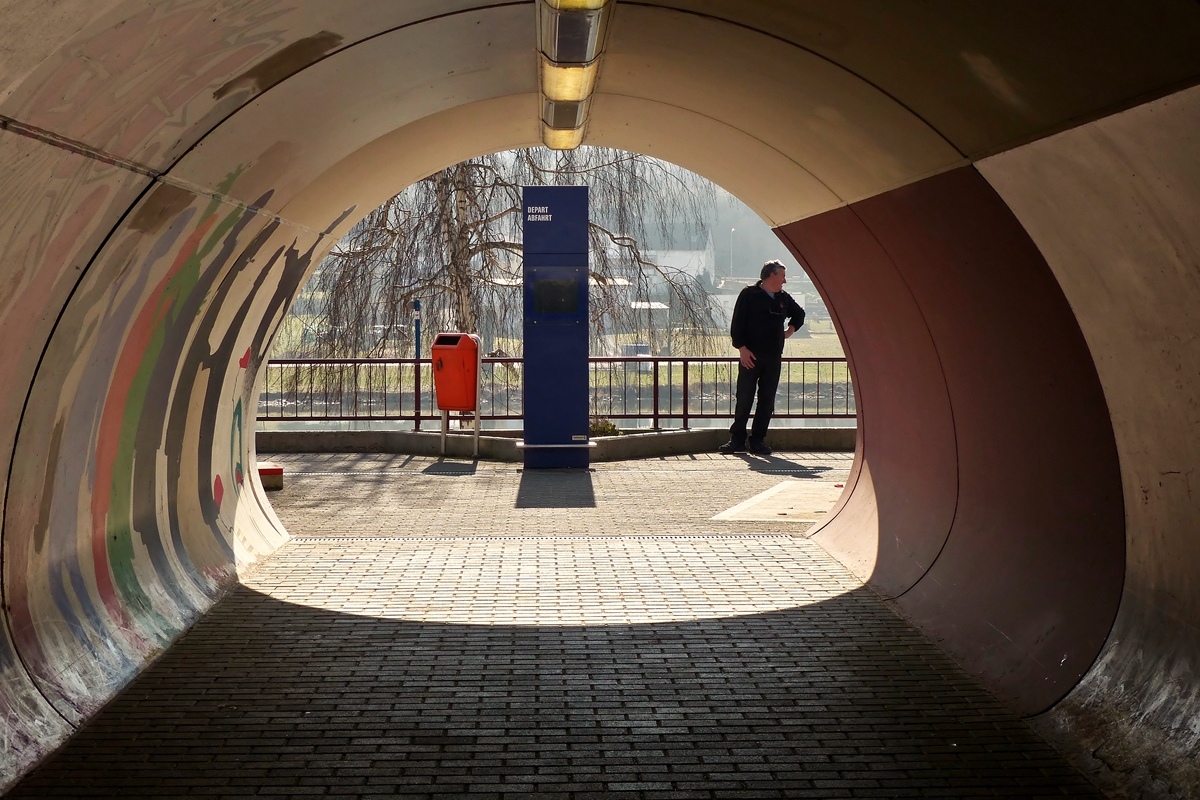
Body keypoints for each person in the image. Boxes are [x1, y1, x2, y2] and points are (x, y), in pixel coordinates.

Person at [719, 260, 805, 456]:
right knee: (744, 397)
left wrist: (790, 330)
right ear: (771, 275)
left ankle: (758, 440)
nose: (784, 281)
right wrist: (742, 349)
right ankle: (737, 439)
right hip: (750, 356)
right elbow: (737, 323)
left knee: (767, 400)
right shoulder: (749, 294)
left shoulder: (783, 298)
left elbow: (799, 314)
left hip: (773, 357)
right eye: (782, 276)